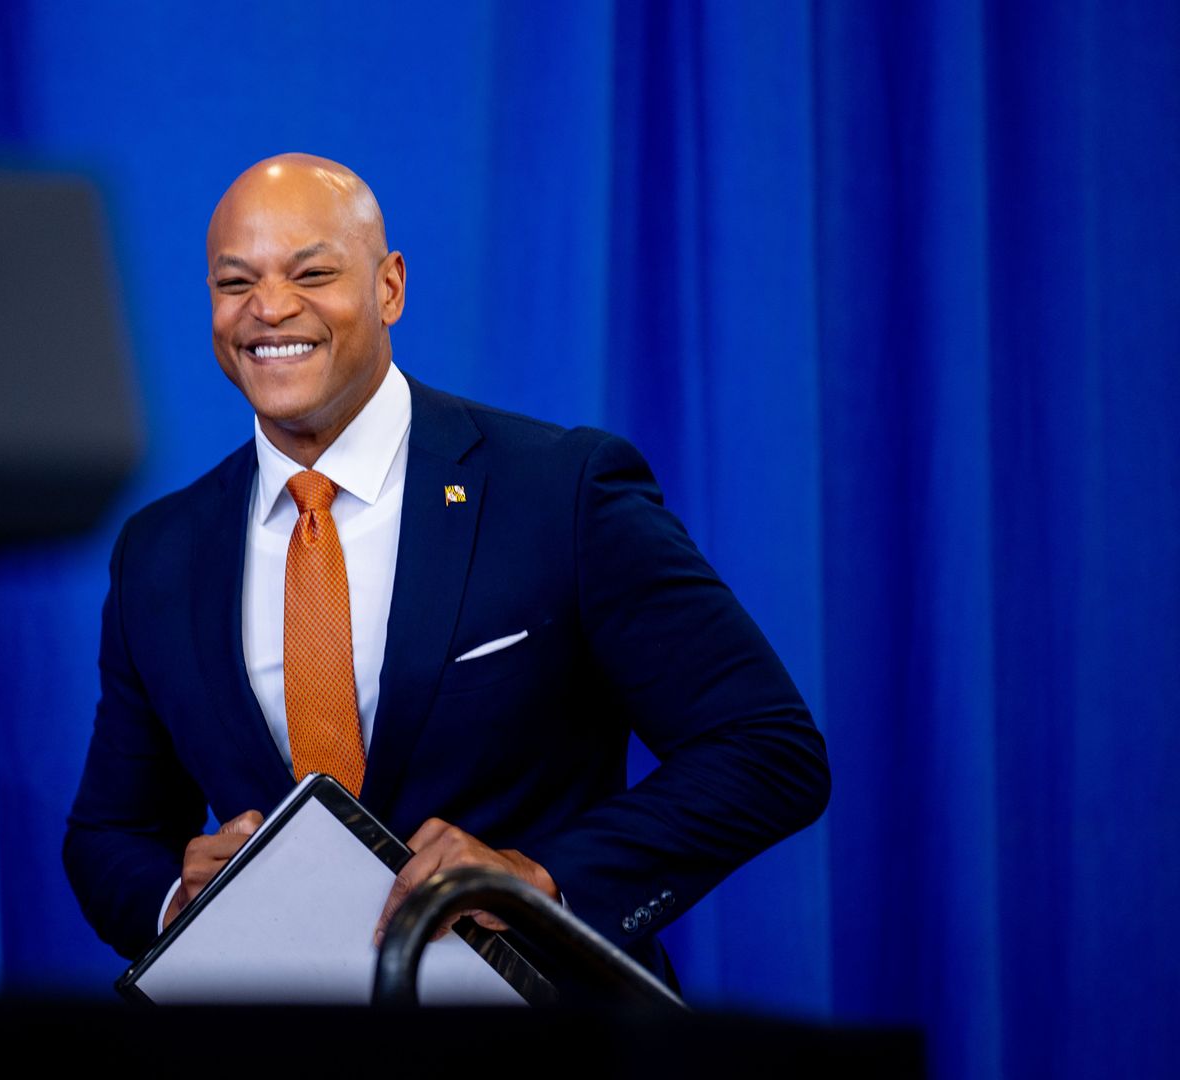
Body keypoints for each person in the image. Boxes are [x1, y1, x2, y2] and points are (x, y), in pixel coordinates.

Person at [62, 153, 830, 986]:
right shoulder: (160, 550)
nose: (270, 308)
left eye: (312, 272)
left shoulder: (559, 492)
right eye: (235, 282)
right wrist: (182, 898)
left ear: (389, 287)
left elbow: (766, 750)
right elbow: (110, 835)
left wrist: (539, 879)